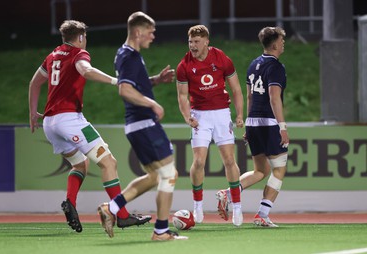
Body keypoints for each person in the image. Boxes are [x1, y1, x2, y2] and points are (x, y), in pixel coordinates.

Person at [28, 20, 151, 233]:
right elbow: (86, 70)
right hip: (71, 121)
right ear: (81, 37)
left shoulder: (53, 55)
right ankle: (122, 216)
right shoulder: (79, 54)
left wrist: (32, 113)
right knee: (109, 162)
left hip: (49, 123)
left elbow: (35, 83)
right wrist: (116, 81)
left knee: (80, 165)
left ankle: (70, 203)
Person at [97, 12, 188, 241]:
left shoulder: (128, 54)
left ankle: (113, 208)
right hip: (143, 123)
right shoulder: (129, 56)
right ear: (138, 32)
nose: (153, 36)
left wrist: (155, 80)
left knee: (155, 176)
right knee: (169, 174)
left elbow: (134, 84)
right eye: (151, 31)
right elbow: (124, 89)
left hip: (137, 125)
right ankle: (161, 231)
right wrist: (152, 103)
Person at [215, 26, 289, 227]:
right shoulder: (276, 67)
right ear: (274, 44)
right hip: (269, 123)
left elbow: (249, 97)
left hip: (255, 121)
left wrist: (248, 123)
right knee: (279, 170)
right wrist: (282, 126)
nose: (283, 43)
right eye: (281, 40)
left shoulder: (253, 64)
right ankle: (262, 215)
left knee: (261, 170)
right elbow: (274, 98)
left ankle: (227, 193)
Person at [176, 25, 244, 227]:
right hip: (200, 116)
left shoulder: (221, 58)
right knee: (198, 162)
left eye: (196, 42)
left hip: (222, 114)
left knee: (230, 160)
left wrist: (240, 115)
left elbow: (236, 89)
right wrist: (188, 116)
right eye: (190, 42)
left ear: (206, 41)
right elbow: (182, 96)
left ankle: (238, 208)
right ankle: (197, 205)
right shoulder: (184, 65)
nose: (192, 46)